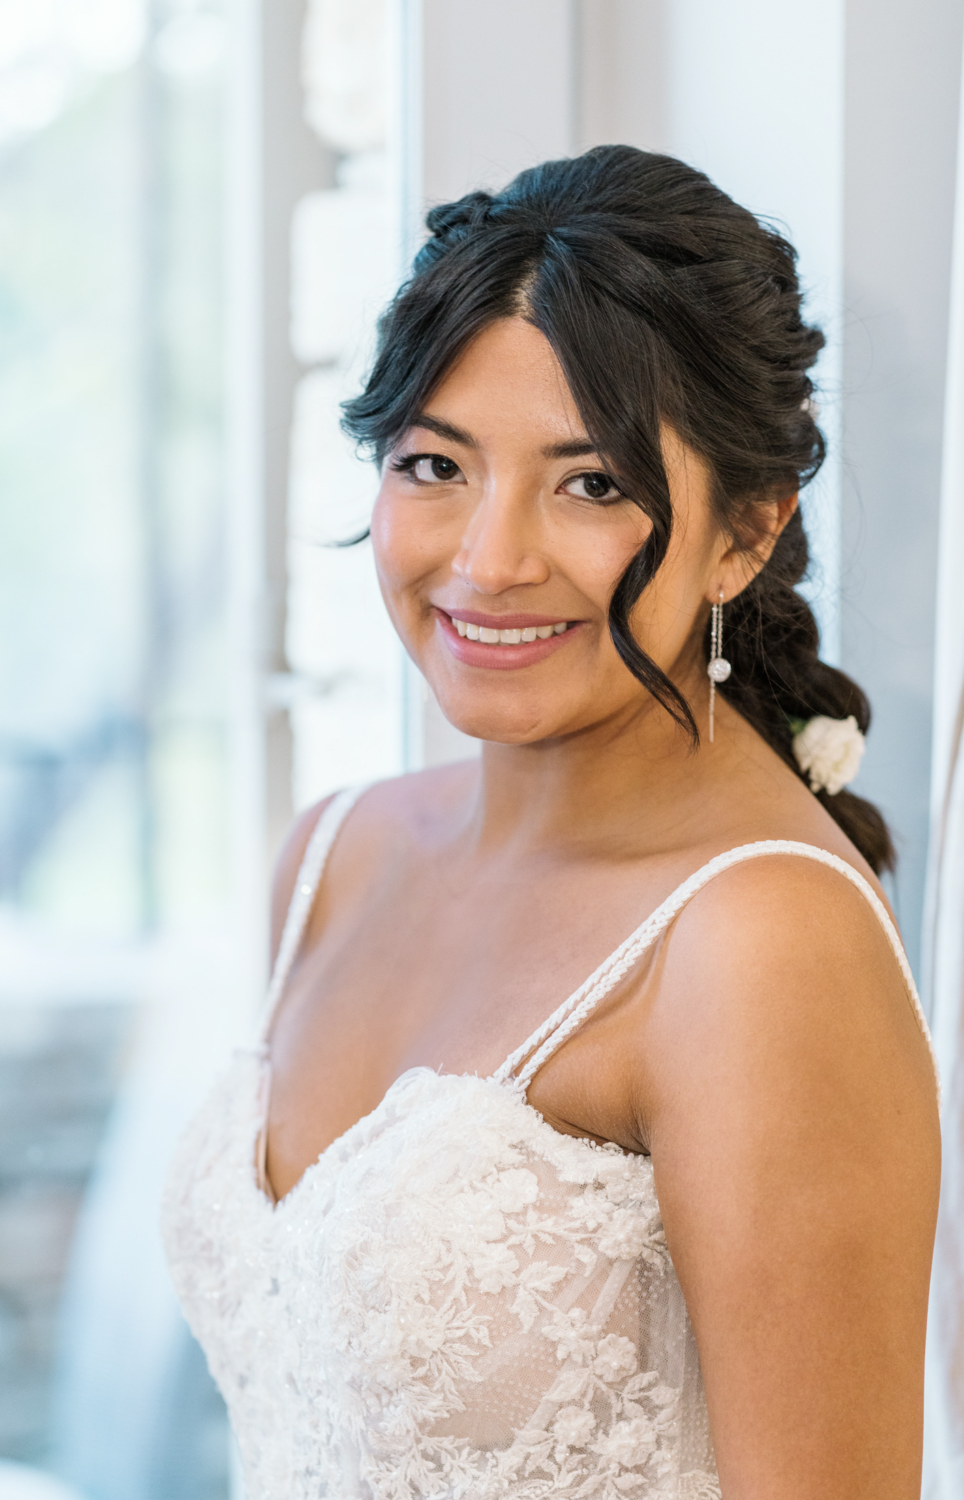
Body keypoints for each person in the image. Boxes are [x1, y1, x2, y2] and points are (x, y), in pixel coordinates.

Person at [162, 146, 940, 1499]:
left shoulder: (758, 943)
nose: (487, 560)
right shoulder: (331, 857)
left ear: (747, 532)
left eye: (592, 485)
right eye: (434, 464)